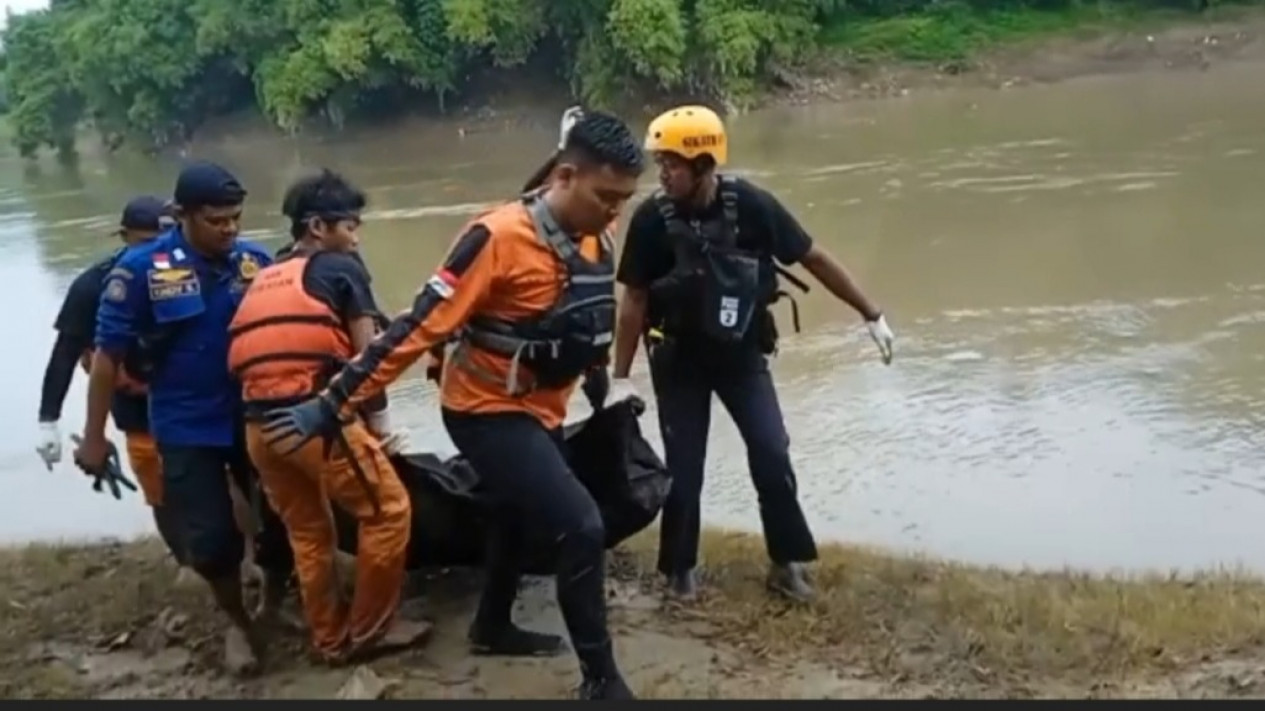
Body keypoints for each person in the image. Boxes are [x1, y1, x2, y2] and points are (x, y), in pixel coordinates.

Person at [258, 111, 646, 699]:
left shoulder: (599, 238)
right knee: (580, 524)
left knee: (517, 511)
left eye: (625, 199)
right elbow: (415, 328)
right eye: (605, 196)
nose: (614, 210)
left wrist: (604, 394)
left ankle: (492, 624)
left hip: (540, 408)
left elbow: (586, 321)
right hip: (482, 409)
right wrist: (334, 401)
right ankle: (602, 680)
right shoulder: (495, 237)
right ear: (566, 175)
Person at [610, 105, 896, 604]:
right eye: (660, 164)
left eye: (671, 163)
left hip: (741, 355)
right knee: (686, 467)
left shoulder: (754, 206)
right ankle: (679, 571)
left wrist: (870, 314)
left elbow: (812, 257)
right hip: (677, 358)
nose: (663, 174)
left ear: (702, 165)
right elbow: (633, 299)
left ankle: (786, 564)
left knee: (771, 452)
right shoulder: (652, 220)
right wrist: (620, 377)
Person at [72, 161, 296, 676]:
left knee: (280, 522)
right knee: (212, 540)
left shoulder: (255, 261)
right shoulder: (139, 271)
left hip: (253, 416)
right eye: (217, 220)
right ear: (183, 216)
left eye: (235, 218)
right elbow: (107, 358)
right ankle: (236, 621)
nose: (230, 229)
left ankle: (274, 606)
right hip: (184, 423)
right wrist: (93, 437)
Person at [227, 168, 430, 664]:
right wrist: (380, 426)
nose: (356, 237)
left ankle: (329, 638)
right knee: (388, 513)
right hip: (317, 423)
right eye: (350, 226)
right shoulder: (341, 268)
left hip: (260, 431)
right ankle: (370, 632)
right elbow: (368, 358)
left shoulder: (269, 273)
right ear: (317, 227)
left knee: (309, 532)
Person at [35, 196, 194, 580]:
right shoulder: (94, 286)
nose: (155, 252)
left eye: (165, 240)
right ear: (124, 238)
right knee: (160, 491)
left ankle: (246, 560)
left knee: (224, 484)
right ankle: (189, 562)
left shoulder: (190, 272)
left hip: (194, 400)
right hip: (136, 407)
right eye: (145, 243)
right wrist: (48, 420)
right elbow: (66, 351)